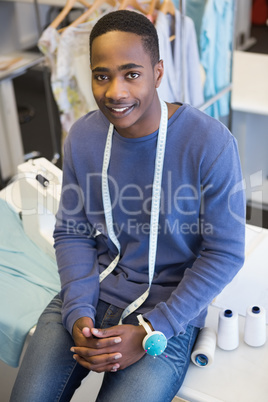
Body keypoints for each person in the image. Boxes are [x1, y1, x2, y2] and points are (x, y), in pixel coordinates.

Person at [10, 10, 245, 402]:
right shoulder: (83, 136)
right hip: (92, 290)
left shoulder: (210, 144)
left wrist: (154, 330)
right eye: (102, 75)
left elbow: (225, 251)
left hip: (170, 307)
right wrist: (78, 312)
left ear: (158, 72)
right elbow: (72, 230)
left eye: (131, 74)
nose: (115, 91)